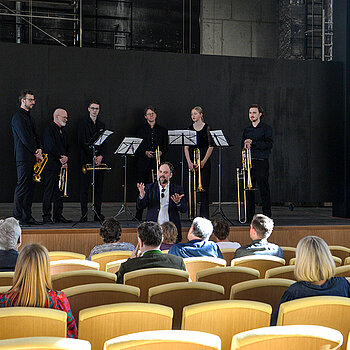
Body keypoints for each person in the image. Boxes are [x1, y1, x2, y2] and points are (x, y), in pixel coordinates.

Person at [0, 243, 77, 338]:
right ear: (45, 269)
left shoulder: (3, 301)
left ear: (19, 268)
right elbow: (72, 337)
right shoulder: (58, 300)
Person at [271, 236, 350, 325]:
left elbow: (276, 325)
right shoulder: (343, 285)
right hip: (339, 338)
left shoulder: (294, 292)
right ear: (328, 258)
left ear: (300, 262)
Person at [116, 221, 186, 283]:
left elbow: (114, 283)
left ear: (140, 242)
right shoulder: (178, 263)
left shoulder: (128, 267)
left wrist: (130, 260)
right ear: (162, 239)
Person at [12, 89, 43, 225]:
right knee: (22, 187)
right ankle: (17, 218)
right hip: (23, 157)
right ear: (23, 100)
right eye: (30, 100)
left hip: (31, 156)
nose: (33, 102)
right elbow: (24, 138)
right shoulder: (18, 117)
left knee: (30, 188)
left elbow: (35, 135)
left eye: (33, 100)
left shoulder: (29, 116)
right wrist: (35, 151)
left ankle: (27, 216)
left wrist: (40, 149)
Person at [137, 162, 187, 242]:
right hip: (153, 229)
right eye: (160, 172)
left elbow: (184, 209)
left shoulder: (177, 189)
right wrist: (142, 196)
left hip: (170, 231)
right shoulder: (150, 188)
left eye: (165, 172)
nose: (162, 174)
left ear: (170, 175)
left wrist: (178, 203)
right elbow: (141, 206)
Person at [135, 106, 168, 221]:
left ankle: (155, 213)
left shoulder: (162, 130)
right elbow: (136, 147)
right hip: (144, 162)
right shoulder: (140, 130)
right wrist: (145, 152)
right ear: (145, 117)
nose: (151, 116)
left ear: (156, 115)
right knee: (142, 187)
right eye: (149, 114)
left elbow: (166, 147)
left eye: (153, 113)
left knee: (156, 187)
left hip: (157, 163)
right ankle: (138, 214)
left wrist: (161, 152)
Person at [241, 104, 273, 221]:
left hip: (261, 162)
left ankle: (267, 216)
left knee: (264, 190)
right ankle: (249, 217)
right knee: (249, 191)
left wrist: (253, 142)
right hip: (249, 163)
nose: (252, 115)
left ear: (260, 114)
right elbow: (242, 146)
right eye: (250, 113)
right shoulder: (247, 130)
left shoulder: (266, 129)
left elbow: (268, 145)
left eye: (254, 113)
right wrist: (245, 146)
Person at [77, 100, 106, 222]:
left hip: (99, 161)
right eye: (93, 108)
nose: (95, 111)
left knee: (98, 189)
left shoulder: (102, 125)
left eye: (97, 109)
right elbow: (81, 143)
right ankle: (84, 215)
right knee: (84, 189)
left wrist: (101, 156)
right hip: (87, 160)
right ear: (88, 109)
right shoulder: (82, 124)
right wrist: (92, 156)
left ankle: (97, 214)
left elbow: (104, 143)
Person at [42, 108, 71, 224]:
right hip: (51, 165)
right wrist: (61, 158)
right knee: (49, 191)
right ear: (57, 116)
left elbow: (68, 147)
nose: (66, 119)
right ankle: (46, 216)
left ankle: (58, 215)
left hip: (61, 165)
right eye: (64, 117)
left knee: (59, 191)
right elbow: (50, 147)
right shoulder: (49, 130)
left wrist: (66, 159)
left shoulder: (63, 131)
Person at [184, 106, 214, 219]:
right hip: (192, 160)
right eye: (192, 114)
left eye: (195, 114)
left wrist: (203, 161)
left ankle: (204, 215)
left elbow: (211, 146)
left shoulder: (207, 127)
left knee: (204, 188)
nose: (193, 116)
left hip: (204, 160)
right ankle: (192, 214)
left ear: (201, 115)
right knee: (192, 187)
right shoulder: (189, 128)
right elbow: (186, 147)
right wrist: (189, 162)